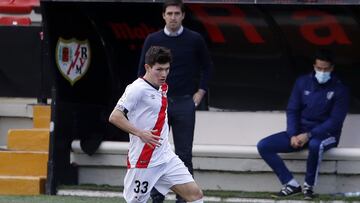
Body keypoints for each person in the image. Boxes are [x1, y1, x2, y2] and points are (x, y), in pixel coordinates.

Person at [138, 0, 212, 202]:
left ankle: (185, 198)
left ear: (183, 15)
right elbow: (141, 72)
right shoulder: (153, 39)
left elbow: (207, 66)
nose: (173, 17)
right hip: (157, 104)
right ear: (163, 15)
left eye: (176, 13)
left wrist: (200, 92)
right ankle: (155, 197)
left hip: (184, 103)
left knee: (184, 153)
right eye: (169, 13)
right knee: (154, 152)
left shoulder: (195, 39)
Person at [109, 46, 204, 203]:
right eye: (159, 69)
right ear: (147, 67)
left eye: (167, 69)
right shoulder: (136, 89)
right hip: (144, 160)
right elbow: (115, 116)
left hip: (165, 157)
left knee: (195, 195)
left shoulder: (162, 87)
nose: (164, 74)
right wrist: (140, 133)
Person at [257, 49, 349, 200]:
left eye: (326, 69)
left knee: (315, 145)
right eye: (319, 68)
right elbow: (292, 110)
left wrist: (309, 135)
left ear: (332, 68)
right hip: (299, 133)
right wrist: (293, 134)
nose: (322, 72)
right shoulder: (302, 82)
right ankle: (291, 184)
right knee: (264, 145)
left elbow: (335, 121)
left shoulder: (340, 89)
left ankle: (309, 188)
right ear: (314, 66)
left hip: (326, 135)